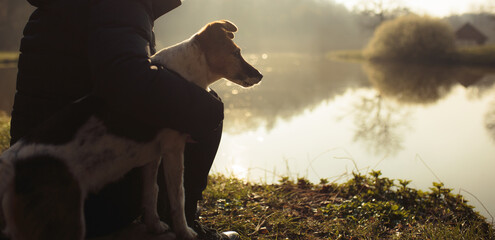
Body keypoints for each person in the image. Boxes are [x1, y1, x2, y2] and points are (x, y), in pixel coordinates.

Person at [8, 0, 239, 239]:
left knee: (184, 100)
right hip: (81, 196)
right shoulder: (119, 5)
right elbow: (125, 78)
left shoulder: (63, 7)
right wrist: (203, 110)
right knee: (204, 104)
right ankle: (180, 225)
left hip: (30, 184)